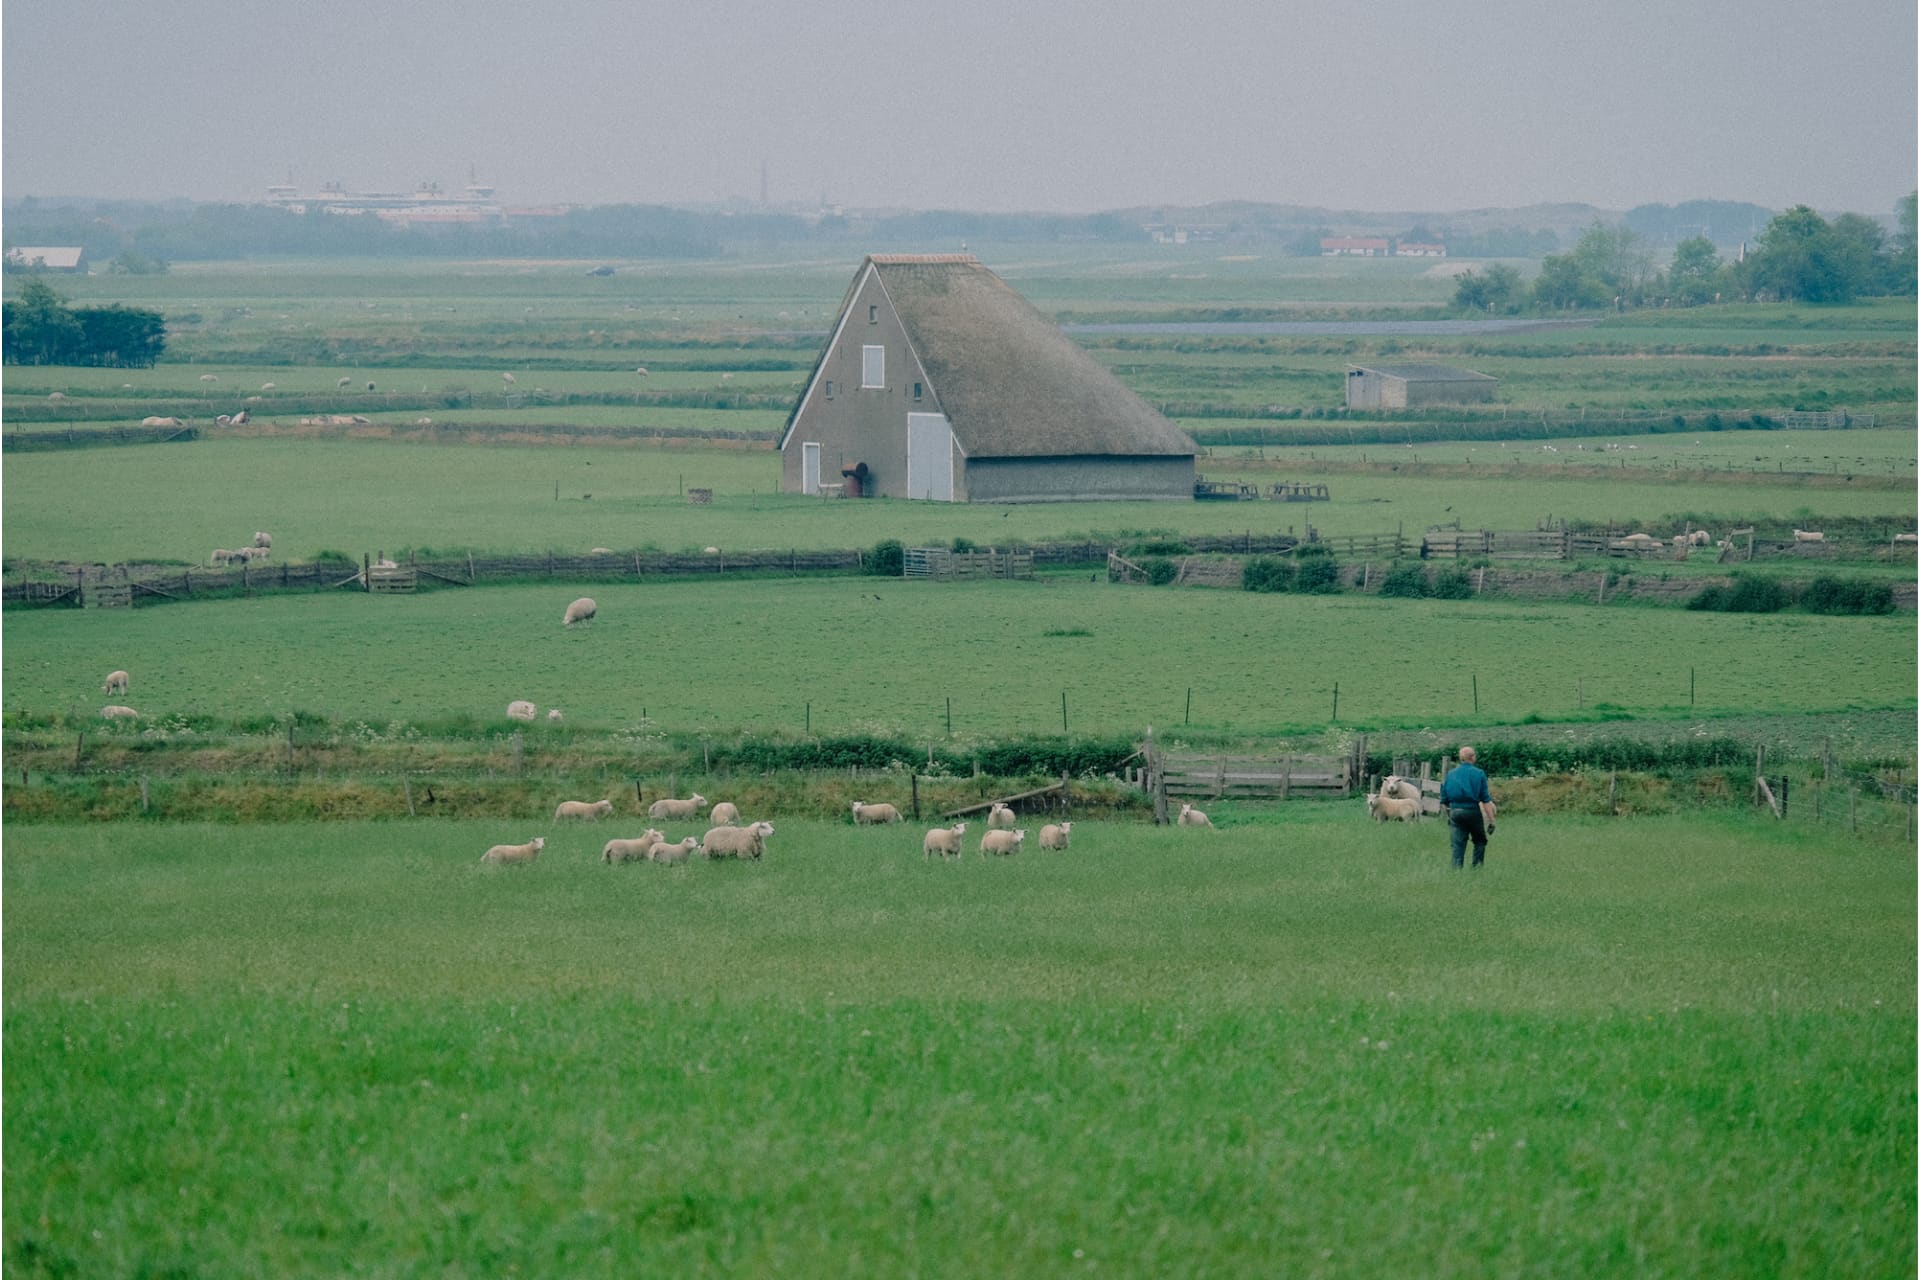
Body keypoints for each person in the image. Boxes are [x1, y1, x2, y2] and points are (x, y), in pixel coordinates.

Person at [1440, 746, 1496, 869]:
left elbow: (1444, 799)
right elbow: (1485, 800)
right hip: (1472, 811)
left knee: (1457, 844)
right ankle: (1476, 868)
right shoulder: (1478, 773)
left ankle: (1456, 870)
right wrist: (1492, 821)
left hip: (1455, 811)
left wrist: (1451, 816)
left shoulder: (1451, 774)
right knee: (1480, 840)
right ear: (1472, 757)